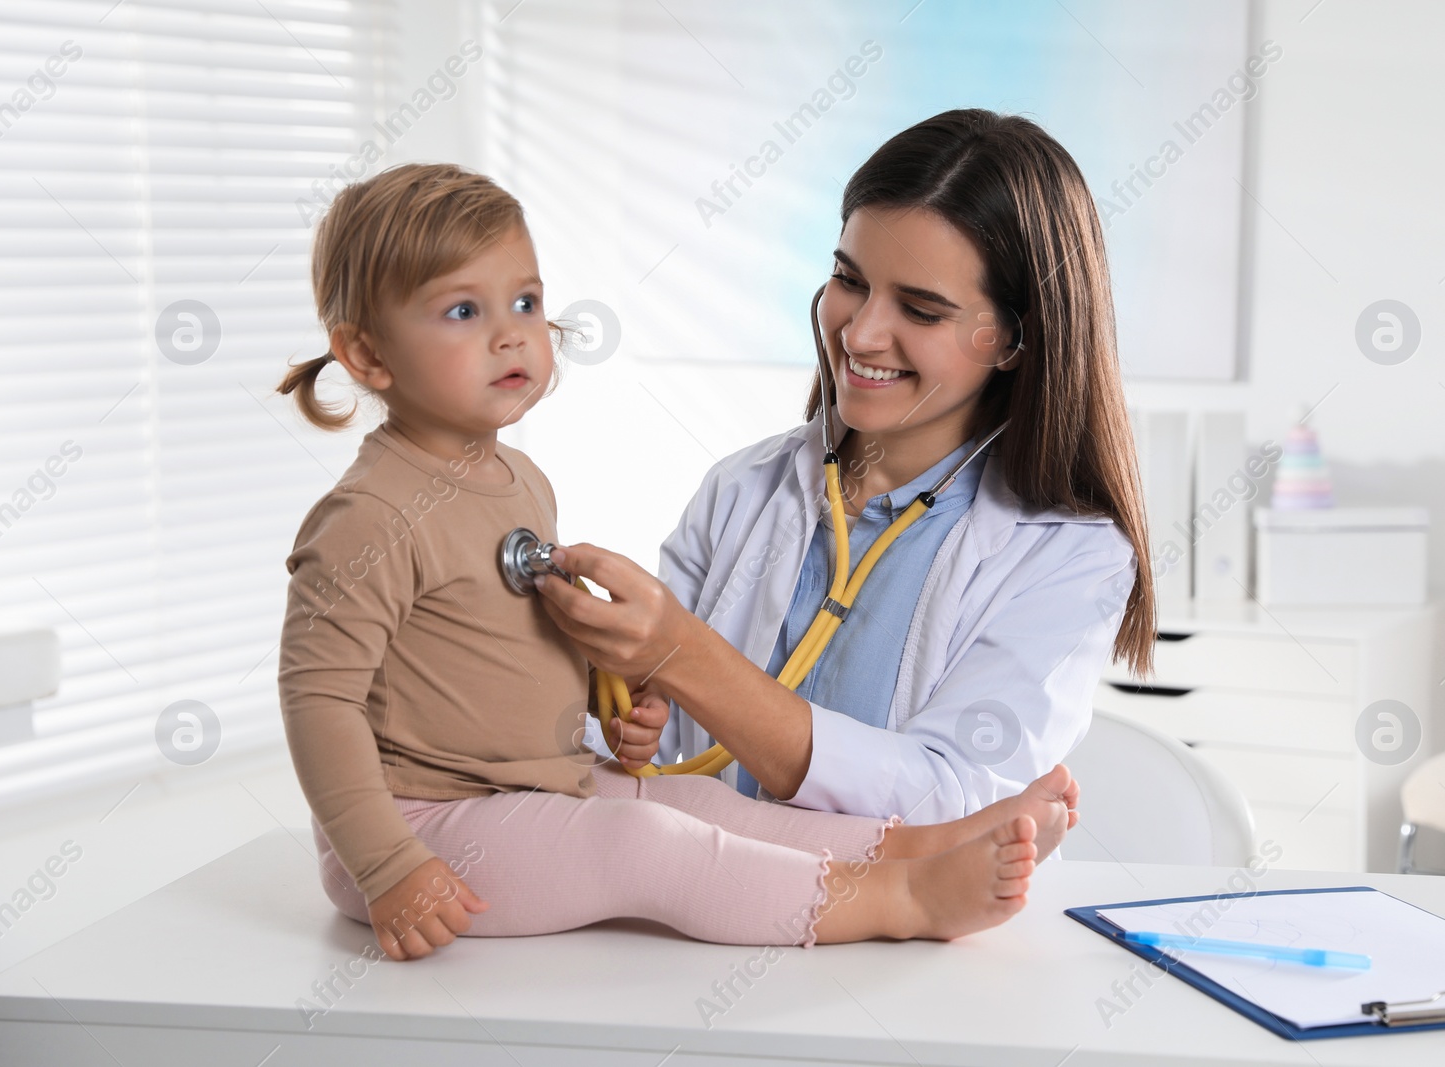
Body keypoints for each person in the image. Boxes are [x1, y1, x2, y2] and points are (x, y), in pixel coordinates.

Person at [273, 162, 1079, 962]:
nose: (512, 332)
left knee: (692, 799)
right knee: (642, 837)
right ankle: (901, 898)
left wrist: (614, 694)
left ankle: (917, 846)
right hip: (424, 828)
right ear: (368, 356)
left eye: (526, 301)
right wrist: (385, 864)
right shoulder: (368, 517)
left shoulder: (521, 482)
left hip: (533, 791)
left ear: (1011, 337)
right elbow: (318, 701)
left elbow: (495, 654)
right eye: (461, 310)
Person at [533, 109, 1156, 823]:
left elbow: (944, 797)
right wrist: (600, 692)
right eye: (848, 279)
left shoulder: (1068, 555)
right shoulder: (745, 487)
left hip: (886, 931)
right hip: (703, 907)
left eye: (921, 310)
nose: (859, 333)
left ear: (1014, 341)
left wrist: (685, 651)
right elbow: (655, 741)